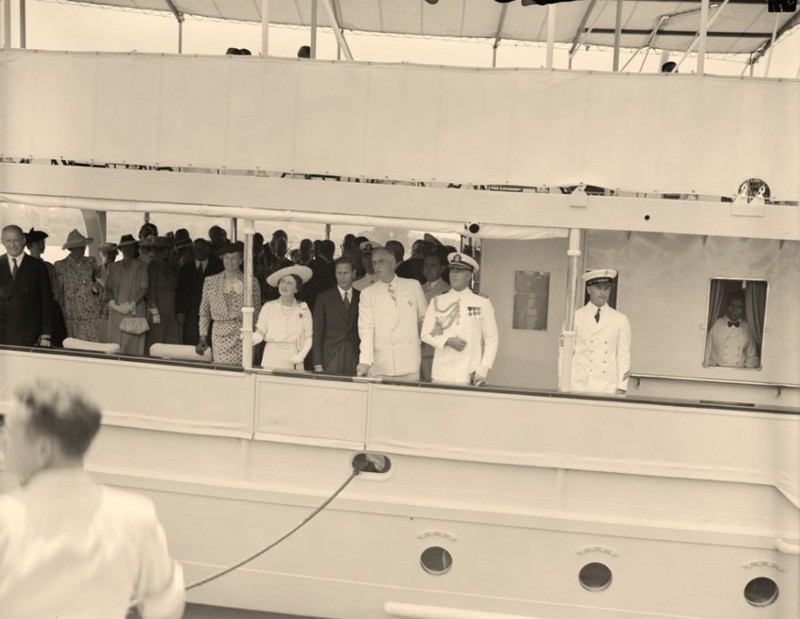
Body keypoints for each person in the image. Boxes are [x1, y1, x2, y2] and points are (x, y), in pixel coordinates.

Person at [0, 379, 185, 619]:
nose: (3, 441)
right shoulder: (135, 517)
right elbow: (165, 603)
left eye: (9, 432)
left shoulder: (6, 520)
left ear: (43, 449)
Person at [421, 252, 498, 385]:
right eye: (452, 270)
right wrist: (447, 341)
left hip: (469, 371)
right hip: (442, 372)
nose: (454, 274)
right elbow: (425, 334)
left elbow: (492, 339)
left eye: (459, 271)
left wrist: (483, 369)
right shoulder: (438, 299)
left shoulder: (482, 302)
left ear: (468, 276)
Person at [356, 247, 428, 379]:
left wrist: (418, 341)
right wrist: (365, 361)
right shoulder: (368, 294)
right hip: (382, 363)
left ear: (393, 262)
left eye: (381, 261)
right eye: (374, 263)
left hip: (409, 360)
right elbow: (366, 329)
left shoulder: (413, 286)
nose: (377, 266)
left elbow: (424, 319)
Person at [196, 241, 261, 365]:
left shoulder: (252, 282)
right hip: (219, 337)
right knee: (222, 373)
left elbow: (257, 313)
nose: (229, 261)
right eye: (226, 257)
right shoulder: (210, 281)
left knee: (242, 374)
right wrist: (203, 336)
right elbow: (204, 313)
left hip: (243, 336)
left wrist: (255, 339)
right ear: (222, 259)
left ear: (241, 260)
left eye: (234, 258)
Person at [568, 269, 631, 395]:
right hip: (578, 385)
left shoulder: (620, 319)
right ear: (589, 289)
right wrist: (563, 383)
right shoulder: (574, 317)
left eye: (606, 288)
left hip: (607, 387)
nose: (603, 293)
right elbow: (564, 354)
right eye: (598, 288)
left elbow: (624, 356)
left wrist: (622, 387)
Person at [0, 224, 53, 347]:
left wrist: (46, 333)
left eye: (15, 240)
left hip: (30, 334)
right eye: (8, 241)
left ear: (23, 240)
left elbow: (46, 301)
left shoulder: (38, 267)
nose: (12, 245)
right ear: (2, 241)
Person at [253, 265, 313, 369]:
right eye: (282, 282)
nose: (284, 286)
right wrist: (250, 338)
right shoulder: (268, 307)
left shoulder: (303, 309)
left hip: (293, 356)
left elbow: (309, 337)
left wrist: (301, 355)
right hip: (271, 356)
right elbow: (260, 333)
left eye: (289, 283)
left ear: (296, 289)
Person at [312, 257, 360, 376]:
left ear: (353, 273)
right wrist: (317, 364)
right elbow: (317, 332)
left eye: (346, 273)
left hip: (355, 355)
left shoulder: (362, 297)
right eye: (339, 273)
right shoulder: (324, 298)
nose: (342, 277)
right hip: (331, 355)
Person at [54, 229, 103, 342]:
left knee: (93, 346)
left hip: (91, 314)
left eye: (83, 246)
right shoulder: (61, 266)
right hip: (71, 315)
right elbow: (59, 292)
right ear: (71, 248)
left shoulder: (91, 263)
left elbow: (100, 282)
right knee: (74, 347)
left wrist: (97, 288)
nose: (83, 248)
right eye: (79, 246)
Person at [105, 234, 149, 355]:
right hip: (116, 311)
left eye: (130, 247)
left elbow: (144, 288)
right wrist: (113, 304)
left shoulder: (142, 266)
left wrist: (133, 304)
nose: (128, 250)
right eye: (125, 248)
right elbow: (108, 288)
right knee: (115, 345)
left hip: (134, 309)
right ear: (120, 250)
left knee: (133, 345)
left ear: (135, 248)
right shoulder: (113, 267)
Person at [175, 238, 224, 346]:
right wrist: (180, 311)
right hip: (190, 310)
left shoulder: (218, 267)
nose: (199, 251)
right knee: (190, 339)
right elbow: (180, 291)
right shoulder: (186, 268)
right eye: (196, 249)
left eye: (202, 249)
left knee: (209, 339)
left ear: (208, 250)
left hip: (212, 310)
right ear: (193, 251)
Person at [25, 227, 68, 346]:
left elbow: (56, 290)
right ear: (30, 245)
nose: (42, 245)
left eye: (43, 242)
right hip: (33, 310)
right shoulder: (24, 267)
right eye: (39, 243)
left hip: (50, 309)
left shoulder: (49, 266)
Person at [143, 236, 181, 350]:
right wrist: (154, 312)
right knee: (156, 338)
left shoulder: (170, 265)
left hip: (170, 306)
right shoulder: (153, 265)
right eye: (168, 250)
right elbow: (150, 290)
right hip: (158, 307)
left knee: (169, 338)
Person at [704, 291, 759, 368]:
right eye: (731, 306)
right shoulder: (715, 324)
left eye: (738, 307)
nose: (734, 310)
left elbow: (752, 357)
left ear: (743, 309)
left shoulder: (748, 328)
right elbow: (706, 353)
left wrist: (745, 374)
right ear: (726, 306)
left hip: (738, 374)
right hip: (716, 372)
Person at [420, 248, 451, 381]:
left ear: (442, 268)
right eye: (426, 265)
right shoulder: (418, 288)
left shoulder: (447, 291)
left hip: (433, 350)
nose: (428, 268)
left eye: (433, 265)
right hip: (415, 348)